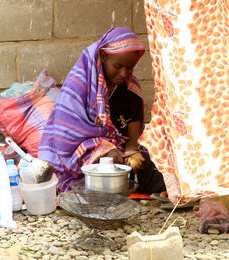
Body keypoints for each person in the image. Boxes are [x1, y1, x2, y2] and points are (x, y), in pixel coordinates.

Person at [38, 27, 166, 193]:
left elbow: (134, 131)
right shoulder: (77, 87)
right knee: (101, 179)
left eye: (130, 68)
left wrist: (131, 150)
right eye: (118, 66)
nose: (123, 73)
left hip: (119, 155)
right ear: (103, 56)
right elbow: (66, 141)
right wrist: (105, 152)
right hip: (83, 159)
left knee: (160, 164)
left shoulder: (128, 88)